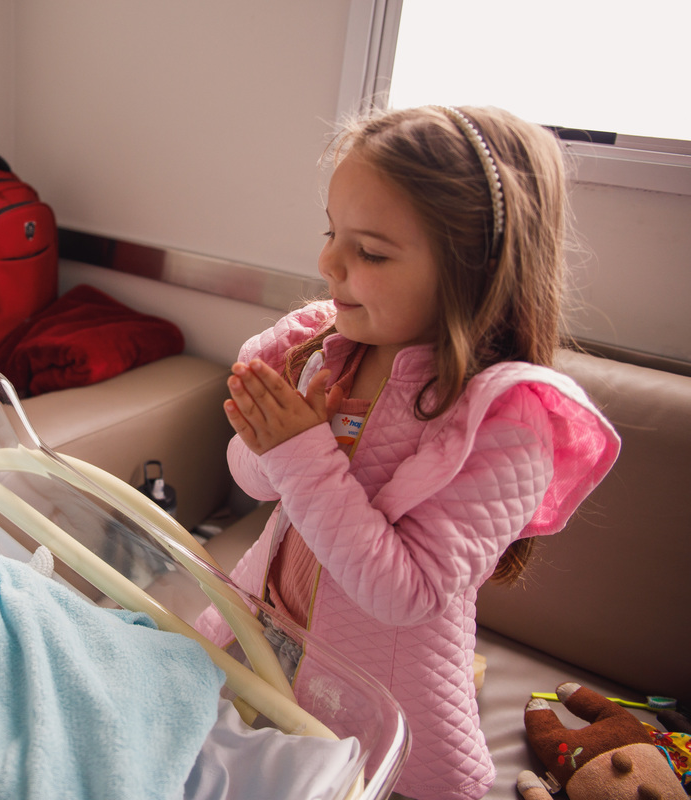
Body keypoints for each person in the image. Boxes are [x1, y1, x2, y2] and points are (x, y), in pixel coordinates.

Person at [194, 105, 620, 800]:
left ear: (474, 271)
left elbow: (406, 594)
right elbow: (256, 482)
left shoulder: (506, 421)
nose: (328, 262)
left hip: (375, 690)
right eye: (333, 234)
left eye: (371, 252)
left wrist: (303, 450)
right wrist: (268, 440)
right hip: (261, 629)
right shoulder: (328, 347)